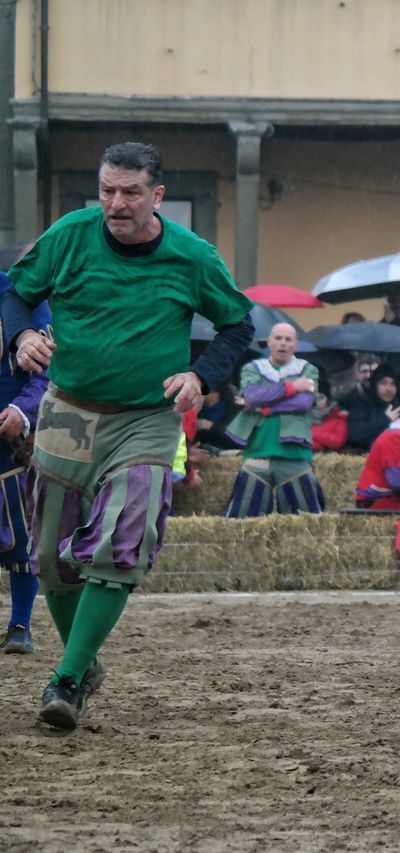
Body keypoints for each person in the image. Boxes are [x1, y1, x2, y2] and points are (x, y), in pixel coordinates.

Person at [2, 141, 253, 730]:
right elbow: (17, 292)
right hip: (68, 410)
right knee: (50, 558)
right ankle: (84, 662)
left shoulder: (192, 257)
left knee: (121, 540)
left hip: (146, 417)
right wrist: (20, 339)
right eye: (107, 190)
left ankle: (66, 679)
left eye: (130, 192)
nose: (115, 203)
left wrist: (200, 373)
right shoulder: (69, 235)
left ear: (156, 196)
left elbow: (238, 322)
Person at [222, 323, 326, 516]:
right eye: (278, 338)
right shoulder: (253, 368)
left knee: (305, 525)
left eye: (288, 339)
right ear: (269, 342)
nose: (283, 344)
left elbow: (303, 403)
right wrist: (292, 388)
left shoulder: (308, 370)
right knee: (243, 521)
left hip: (294, 454)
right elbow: (253, 397)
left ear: (295, 344)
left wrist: (267, 408)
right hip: (257, 451)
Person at [0, 273, 48, 655]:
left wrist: (22, 409)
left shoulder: (19, 295)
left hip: (10, 443)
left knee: (20, 540)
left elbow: (48, 368)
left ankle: (20, 624)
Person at [346, 365, 400, 452]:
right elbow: (356, 435)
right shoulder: (362, 406)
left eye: (393, 384)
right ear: (375, 384)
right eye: (384, 383)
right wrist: (386, 420)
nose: (389, 389)